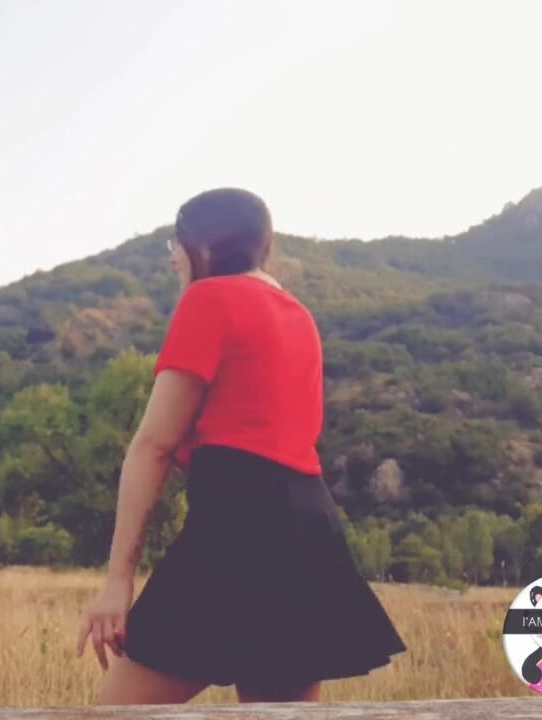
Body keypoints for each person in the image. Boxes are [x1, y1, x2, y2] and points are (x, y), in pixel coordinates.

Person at [75, 188, 407, 704]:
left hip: (238, 523)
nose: (172, 257)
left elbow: (153, 446)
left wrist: (118, 581)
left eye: (177, 243)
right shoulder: (298, 315)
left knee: (114, 715)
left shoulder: (208, 299)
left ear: (204, 247)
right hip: (310, 529)